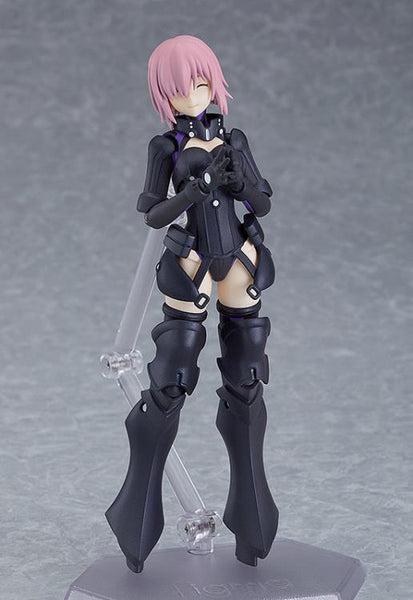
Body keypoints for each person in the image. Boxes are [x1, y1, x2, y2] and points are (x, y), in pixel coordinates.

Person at [106, 35, 278, 573]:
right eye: (181, 87)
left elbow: (262, 202)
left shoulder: (234, 138)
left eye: (201, 82)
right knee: (172, 378)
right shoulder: (165, 148)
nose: (194, 94)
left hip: (240, 259)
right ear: (165, 94)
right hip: (191, 262)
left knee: (248, 376)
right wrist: (190, 194)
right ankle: (136, 521)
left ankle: (252, 522)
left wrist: (239, 181)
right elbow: (153, 214)